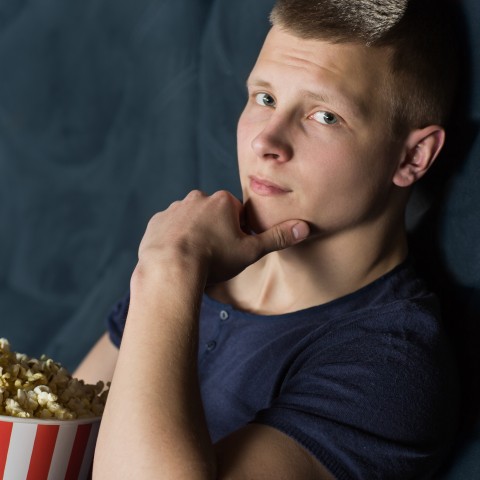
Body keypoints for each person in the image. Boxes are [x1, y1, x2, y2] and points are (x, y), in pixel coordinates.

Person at [75, 0, 460, 478]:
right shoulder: (195, 265)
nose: (265, 142)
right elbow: (51, 431)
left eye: (324, 116)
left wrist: (167, 270)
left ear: (414, 157)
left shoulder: (392, 363)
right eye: (265, 98)